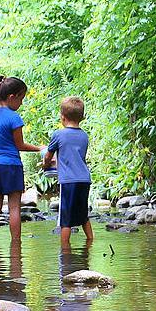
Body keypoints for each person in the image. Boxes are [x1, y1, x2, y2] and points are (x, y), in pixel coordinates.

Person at [0, 75, 41, 242]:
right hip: (11, 166)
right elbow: (19, 145)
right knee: (14, 207)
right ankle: (16, 245)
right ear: (12, 97)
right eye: (21, 99)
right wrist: (39, 149)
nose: (21, 104)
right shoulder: (14, 117)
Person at [43, 96, 94, 246]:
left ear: (62, 117)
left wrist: (46, 164)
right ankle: (90, 242)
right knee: (83, 215)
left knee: (65, 219)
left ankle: (65, 250)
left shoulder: (58, 135)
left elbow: (48, 155)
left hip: (68, 181)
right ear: (82, 117)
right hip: (84, 179)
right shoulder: (84, 136)